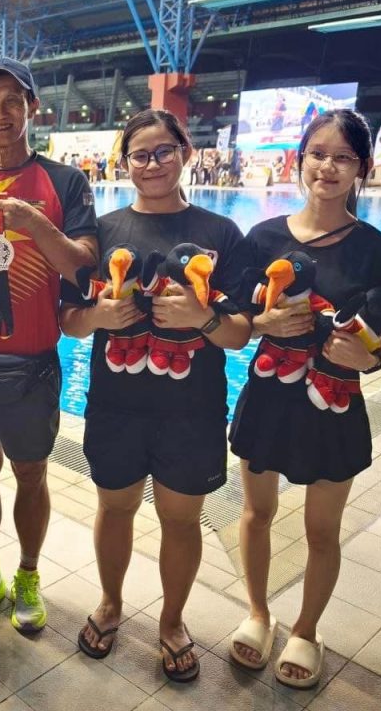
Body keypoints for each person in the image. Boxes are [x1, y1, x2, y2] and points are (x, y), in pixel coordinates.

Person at [60, 109, 250, 681]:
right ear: (125, 163)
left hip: (190, 410)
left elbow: (240, 333)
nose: (152, 164)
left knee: (180, 519)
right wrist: (100, 315)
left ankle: (171, 621)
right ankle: (112, 603)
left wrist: (203, 316)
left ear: (186, 152)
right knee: (114, 507)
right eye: (140, 155)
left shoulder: (222, 232)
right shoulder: (103, 232)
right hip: (116, 404)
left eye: (163, 150)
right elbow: (69, 320)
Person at [228, 110, 381, 689]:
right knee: (256, 513)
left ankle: (306, 628)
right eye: (318, 153)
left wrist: (372, 359)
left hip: (333, 403)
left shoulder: (376, 247)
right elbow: (241, 320)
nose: (328, 166)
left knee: (322, 530)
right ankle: (257, 613)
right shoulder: (263, 237)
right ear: (300, 159)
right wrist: (262, 323)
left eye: (343, 157)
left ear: (360, 169)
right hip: (271, 394)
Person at [0, 58, 97, 635]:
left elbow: (82, 269)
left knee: (31, 473)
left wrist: (34, 223)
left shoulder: (64, 184)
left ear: (33, 107)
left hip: (32, 363)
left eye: (13, 99)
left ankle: (29, 574)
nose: (1, 111)